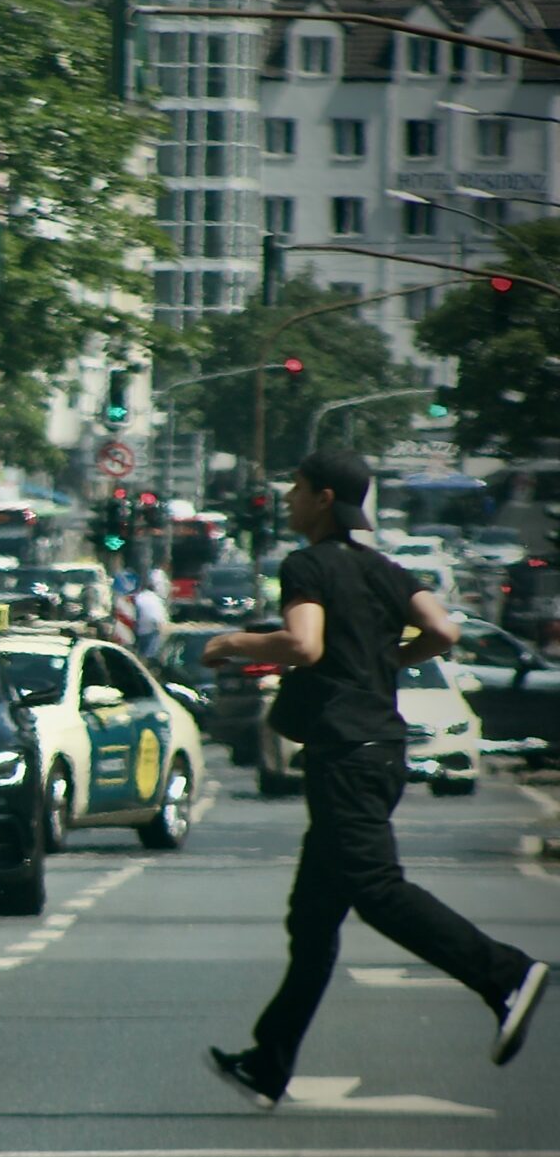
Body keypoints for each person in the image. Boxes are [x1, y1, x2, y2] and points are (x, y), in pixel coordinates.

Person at [200, 450, 546, 1106]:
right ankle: (268, 1063)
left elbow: (304, 645)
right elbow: (443, 629)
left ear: (324, 497)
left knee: (378, 890)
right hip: (378, 749)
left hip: (345, 756)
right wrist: (389, 661)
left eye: (297, 488)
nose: (289, 498)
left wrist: (233, 643)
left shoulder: (307, 565)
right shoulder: (384, 568)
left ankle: (505, 973)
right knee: (312, 917)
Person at [132, 578, 168, 659]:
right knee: (151, 653)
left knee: (141, 653)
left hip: (143, 628)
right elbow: (162, 616)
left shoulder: (139, 597)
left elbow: (135, 614)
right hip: (155, 627)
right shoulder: (156, 598)